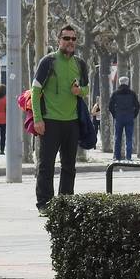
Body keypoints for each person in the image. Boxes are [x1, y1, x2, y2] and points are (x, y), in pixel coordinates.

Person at [32, 25, 89, 213]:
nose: (70, 42)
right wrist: (38, 119)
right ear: (59, 40)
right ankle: (44, 204)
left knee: (69, 166)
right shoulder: (48, 62)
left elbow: (87, 89)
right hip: (50, 121)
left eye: (73, 39)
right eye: (66, 38)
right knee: (46, 165)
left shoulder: (80, 64)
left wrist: (78, 91)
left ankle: (65, 203)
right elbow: (36, 91)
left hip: (72, 122)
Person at [108, 75, 140, 160]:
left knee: (117, 137)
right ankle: (128, 157)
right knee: (129, 138)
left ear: (119, 83)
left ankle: (117, 156)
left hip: (119, 117)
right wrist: (134, 115)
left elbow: (110, 106)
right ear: (128, 83)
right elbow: (137, 106)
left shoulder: (115, 93)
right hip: (129, 117)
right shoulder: (132, 93)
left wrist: (115, 115)